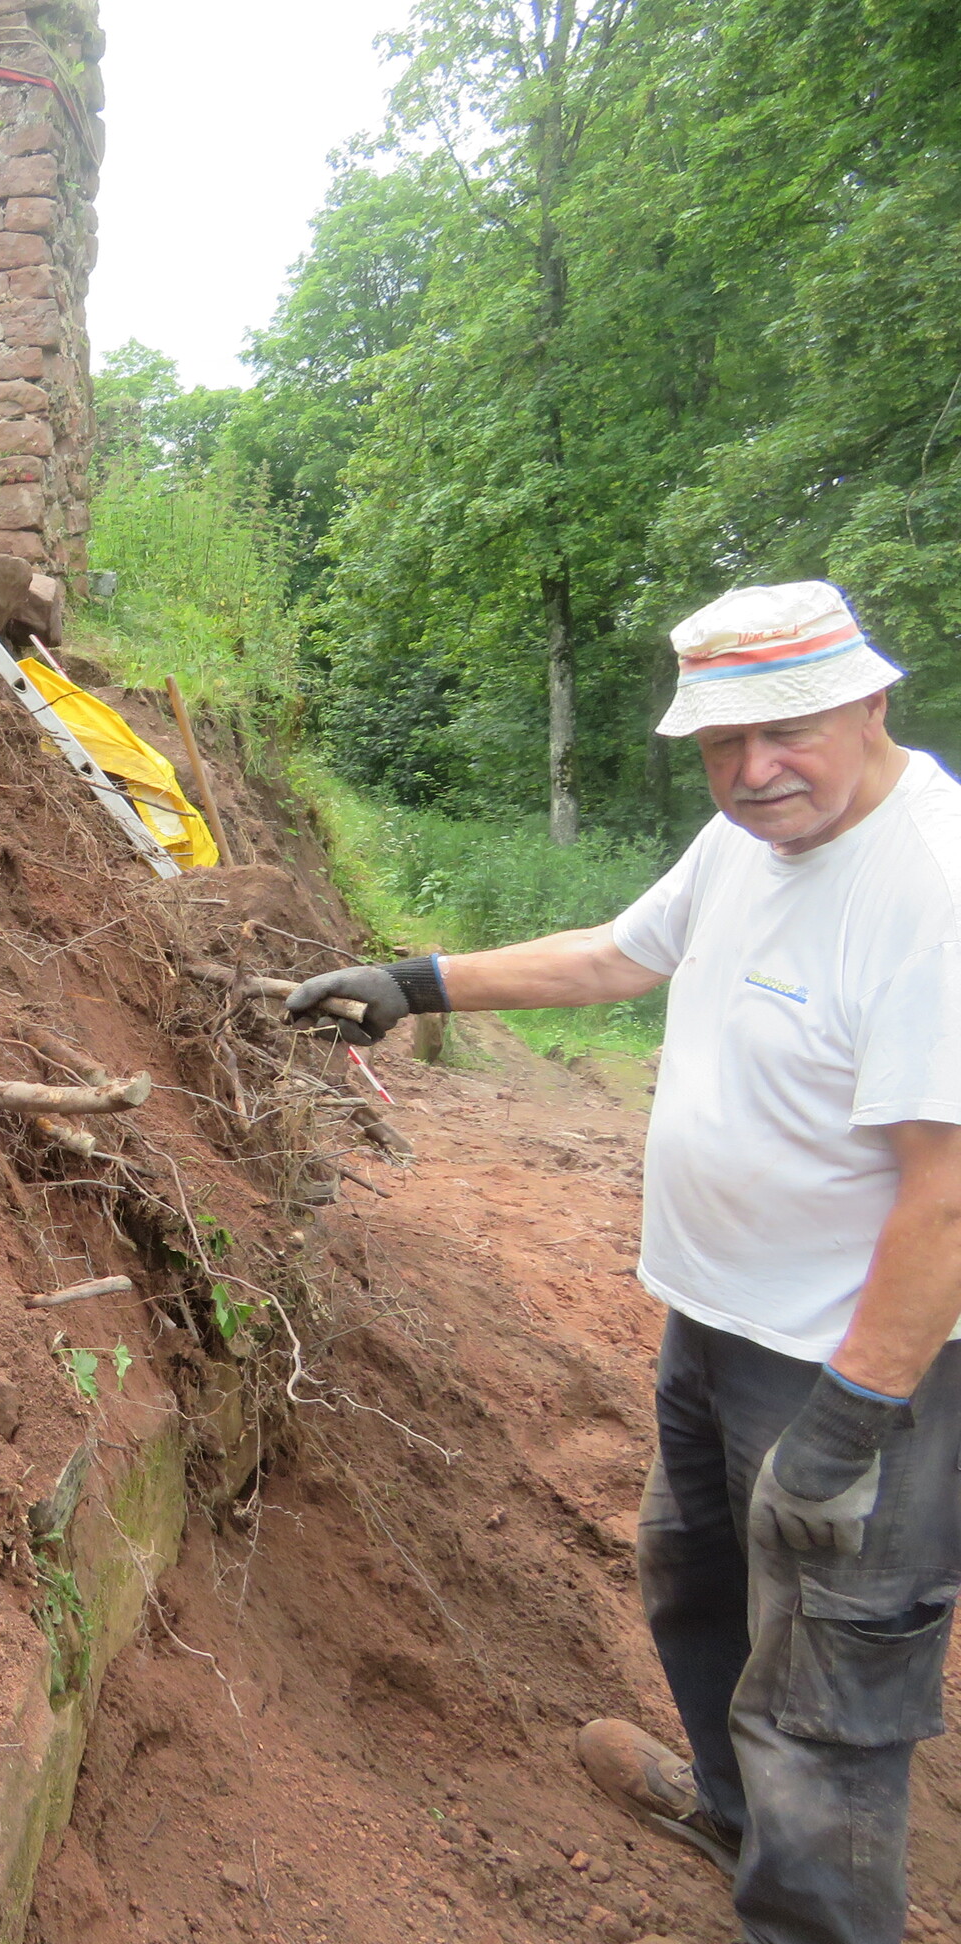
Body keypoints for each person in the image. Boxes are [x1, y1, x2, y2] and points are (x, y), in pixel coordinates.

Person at [286, 581, 961, 1944]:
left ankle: (813, 1912)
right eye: (722, 743)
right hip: (713, 1324)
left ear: (871, 702)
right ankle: (733, 1813)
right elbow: (614, 955)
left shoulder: (931, 887)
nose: (754, 770)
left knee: (828, 1692)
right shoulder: (748, 842)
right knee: (693, 1578)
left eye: (785, 732)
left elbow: (947, 1198)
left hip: (850, 1371)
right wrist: (420, 983)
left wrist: (851, 1425)